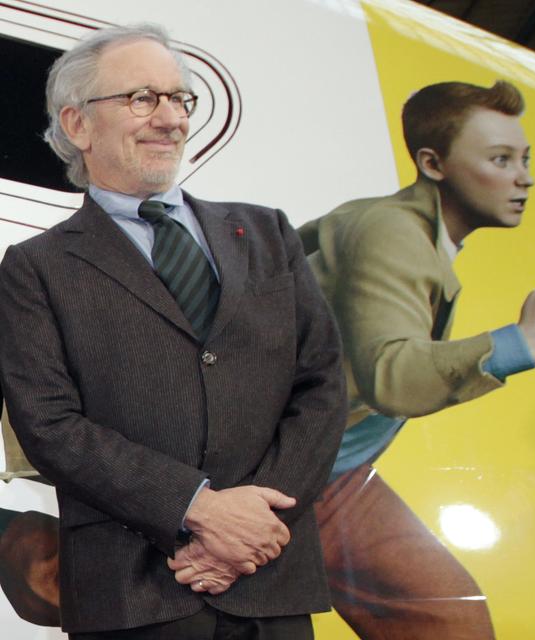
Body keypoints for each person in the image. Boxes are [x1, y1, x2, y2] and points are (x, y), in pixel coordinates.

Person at [0, 23, 347, 640]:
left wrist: (250, 529)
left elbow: (320, 385)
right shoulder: (35, 268)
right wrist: (200, 509)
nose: (169, 118)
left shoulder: (267, 233)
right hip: (132, 592)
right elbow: (49, 425)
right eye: (141, 98)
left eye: (179, 98)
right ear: (78, 125)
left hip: (268, 581)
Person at [298, 80, 535, 639]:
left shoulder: (397, 227)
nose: (523, 177)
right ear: (433, 163)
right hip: (262, 475)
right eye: (500, 159)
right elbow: (394, 377)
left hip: (327, 474)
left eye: (524, 158)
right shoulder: (392, 232)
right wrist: (526, 343)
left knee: (448, 619)